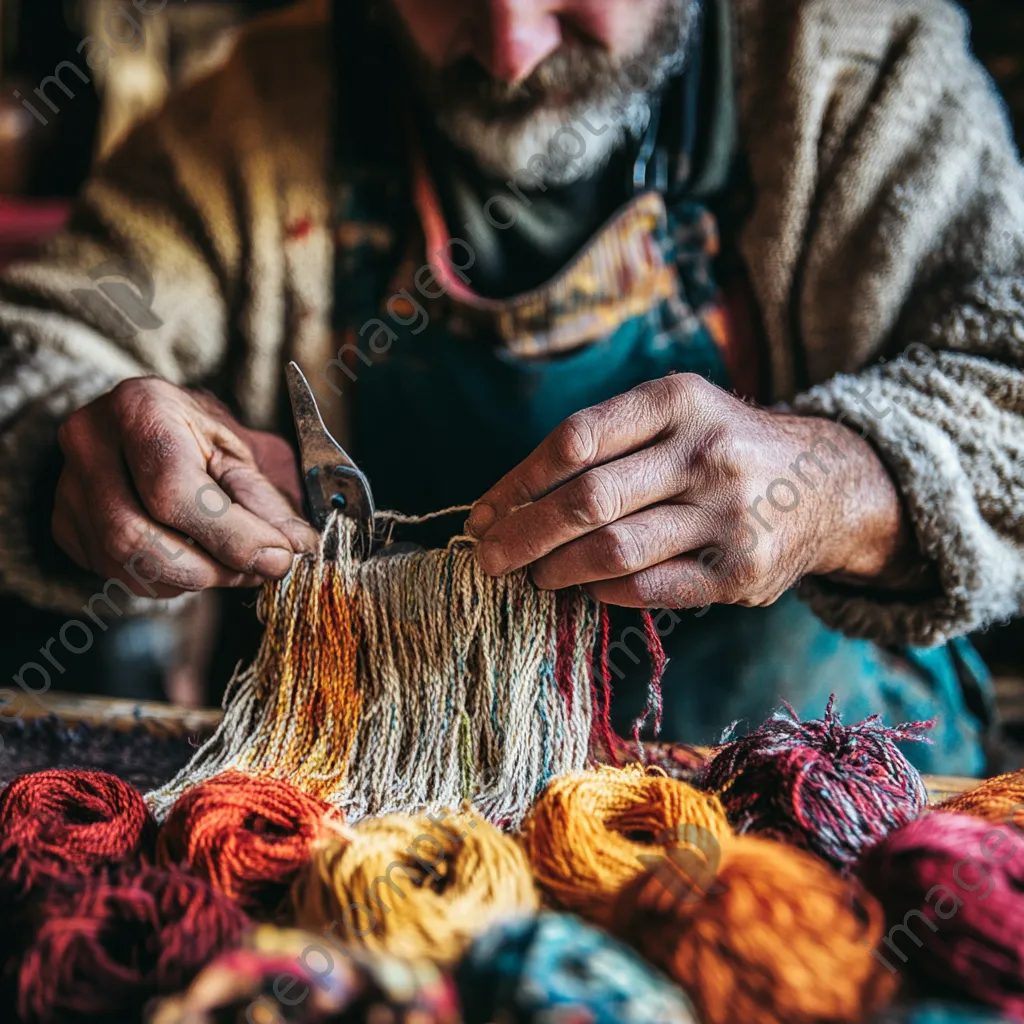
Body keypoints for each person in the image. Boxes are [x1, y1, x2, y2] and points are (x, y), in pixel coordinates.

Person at [0, 0, 1021, 774]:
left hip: (822, 794)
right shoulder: (255, 111)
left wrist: (835, 482)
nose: (509, 51)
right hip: (388, 791)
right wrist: (67, 445)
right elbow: (43, 343)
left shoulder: (860, 68)